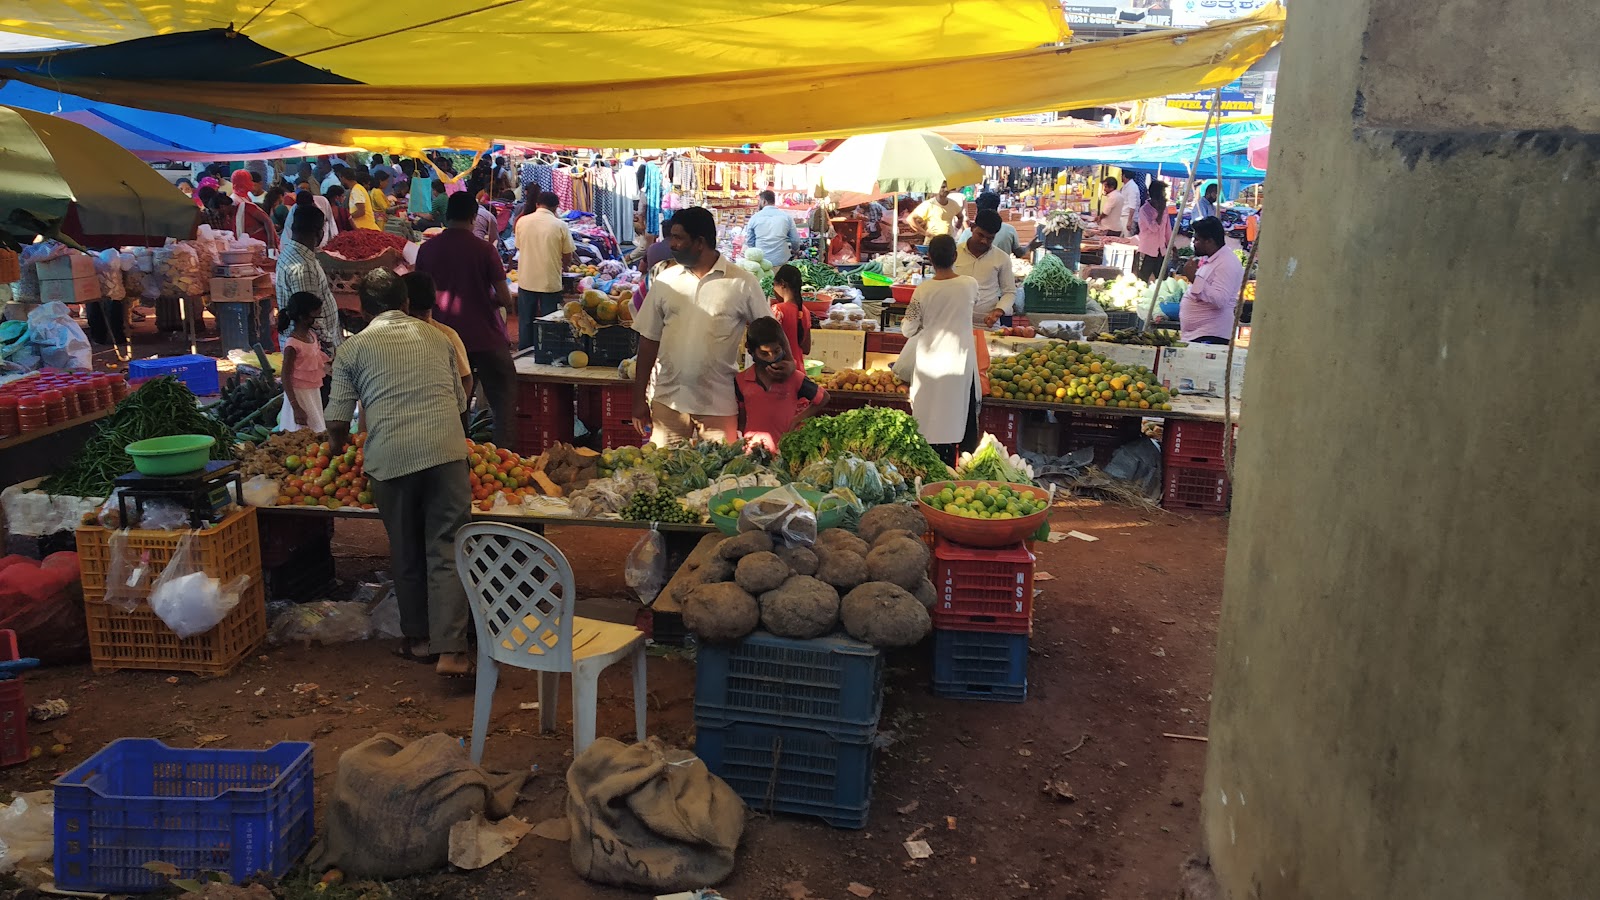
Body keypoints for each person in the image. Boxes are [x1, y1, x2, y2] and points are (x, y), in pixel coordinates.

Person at [326, 268, 472, 677]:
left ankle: (420, 640)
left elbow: (336, 420)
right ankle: (453, 651)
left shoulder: (352, 349)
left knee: (407, 552)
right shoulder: (439, 338)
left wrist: (338, 449)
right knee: (445, 550)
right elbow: (461, 404)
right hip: (446, 455)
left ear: (362, 309)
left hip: (390, 459)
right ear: (407, 303)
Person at [631, 206, 771, 446]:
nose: (671, 244)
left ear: (700, 242)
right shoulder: (665, 281)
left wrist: (757, 393)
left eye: (678, 238)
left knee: (720, 480)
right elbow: (648, 341)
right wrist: (638, 398)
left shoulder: (742, 283)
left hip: (718, 404)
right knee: (665, 476)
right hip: (668, 402)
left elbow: (768, 337)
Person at [415, 192, 516, 447]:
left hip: (443, 340)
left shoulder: (426, 250)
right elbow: (506, 299)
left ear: (446, 216)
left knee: (453, 403)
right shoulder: (485, 250)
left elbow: (419, 297)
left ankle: (458, 453)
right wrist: (486, 298)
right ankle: (504, 455)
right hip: (487, 338)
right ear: (474, 217)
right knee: (504, 400)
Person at [901, 235, 980, 465]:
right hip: (959, 362)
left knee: (929, 418)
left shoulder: (922, 291)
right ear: (955, 256)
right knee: (956, 414)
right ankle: (954, 466)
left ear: (929, 259)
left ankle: (928, 469)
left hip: (930, 364)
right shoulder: (969, 284)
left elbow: (907, 329)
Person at [735, 316, 827, 453]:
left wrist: (798, 418)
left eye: (776, 351)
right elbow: (741, 418)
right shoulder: (741, 381)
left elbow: (823, 398)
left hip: (786, 453)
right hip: (752, 454)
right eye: (764, 354)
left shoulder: (794, 378)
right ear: (751, 351)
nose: (772, 358)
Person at [402, 272, 475, 428]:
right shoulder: (448, 335)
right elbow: (466, 378)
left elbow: (466, 379)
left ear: (404, 304)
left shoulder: (446, 336)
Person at [274, 205, 342, 363]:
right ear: (319, 233)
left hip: (306, 347)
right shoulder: (303, 268)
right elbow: (311, 318)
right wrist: (330, 346)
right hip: (310, 351)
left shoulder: (290, 253)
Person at [512, 191, 576, 350]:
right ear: (556, 208)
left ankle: (524, 353)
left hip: (526, 279)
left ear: (537, 204)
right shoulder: (560, 225)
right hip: (550, 280)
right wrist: (564, 266)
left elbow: (519, 247)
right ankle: (549, 350)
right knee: (550, 320)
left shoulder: (522, 222)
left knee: (526, 320)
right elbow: (567, 255)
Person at [1178, 216, 1244, 344]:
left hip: (1211, 336)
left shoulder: (1227, 263)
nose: (1193, 243)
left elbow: (1219, 300)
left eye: (1197, 240)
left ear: (1209, 241)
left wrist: (1194, 279)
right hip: (1198, 335)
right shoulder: (1212, 260)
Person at [276, 292, 330, 433]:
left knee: (316, 428)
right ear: (303, 317)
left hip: (313, 392)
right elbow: (285, 376)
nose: (317, 320)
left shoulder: (312, 336)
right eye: (315, 317)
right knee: (300, 431)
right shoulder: (292, 344)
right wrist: (296, 407)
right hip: (299, 395)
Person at [954, 209, 1015, 328]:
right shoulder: (954, 253)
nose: (984, 241)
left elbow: (1009, 292)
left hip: (987, 325)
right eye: (980, 235)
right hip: (955, 323)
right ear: (972, 228)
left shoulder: (1002, 258)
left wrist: (998, 311)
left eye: (990, 238)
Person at [742, 190, 800, 266]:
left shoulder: (754, 218)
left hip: (762, 260)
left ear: (764, 201)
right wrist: (795, 250)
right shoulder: (786, 217)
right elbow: (795, 239)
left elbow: (750, 241)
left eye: (759, 201)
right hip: (781, 259)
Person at [956, 192, 1021, 257]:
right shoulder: (1010, 230)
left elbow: (958, 253)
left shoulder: (968, 233)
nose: (984, 241)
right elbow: (1019, 253)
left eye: (990, 238)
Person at [769, 263, 811, 362]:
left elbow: (769, 345)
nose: (773, 290)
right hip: (799, 372)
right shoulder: (805, 311)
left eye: (774, 285)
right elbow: (806, 349)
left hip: (782, 371)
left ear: (782, 284)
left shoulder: (777, 310)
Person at [1135, 180, 1172, 282]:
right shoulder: (1145, 210)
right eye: (1164, 193)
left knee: (1162, 280)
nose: (1165, 195)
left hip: (1161, 250)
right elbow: (1154, 228)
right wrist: (1159, 213)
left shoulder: (1165, 209)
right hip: (1147, 250)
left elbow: (1167, 229)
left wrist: (1171, 246)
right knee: (1142, 279)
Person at [231, 170, 278, 248]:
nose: (251, 183)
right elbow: (265, 220)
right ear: (243, 182)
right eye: (249, 180)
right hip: (247, 243)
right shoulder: (235, 200)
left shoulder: (246, 197)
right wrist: (271, 244)